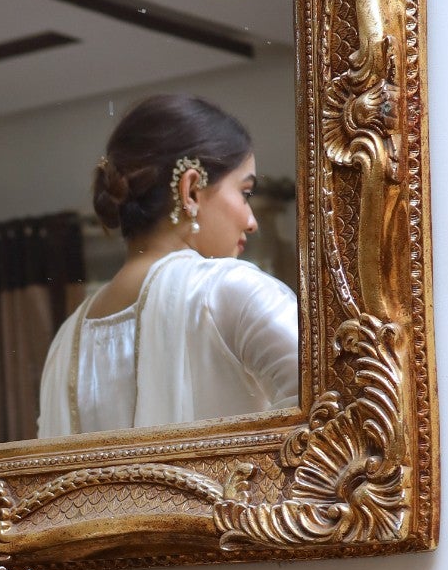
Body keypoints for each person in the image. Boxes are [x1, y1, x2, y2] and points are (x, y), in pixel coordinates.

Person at [37, 94, 299, 436]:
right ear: (190, 190)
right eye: (245, 192)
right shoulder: (229, 292)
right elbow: (331, 418)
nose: (252, 222)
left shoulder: (65, 341)